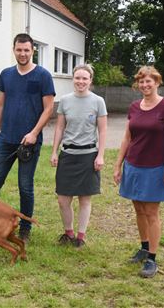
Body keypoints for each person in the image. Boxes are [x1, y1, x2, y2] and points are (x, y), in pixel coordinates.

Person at [0, 33, 55, 243]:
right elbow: (0, 104)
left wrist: (34, 133)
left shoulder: (43, 76)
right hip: (6, 140)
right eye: (19, 50)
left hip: (29, 143)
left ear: (33, 50)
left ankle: (25, 229)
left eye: (27, 50)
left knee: (25, 187)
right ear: (14, 50)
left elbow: (48, 109)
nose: (23, 54)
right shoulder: (6, 75)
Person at [113, 66, 164, 278]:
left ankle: (152, 258)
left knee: (151, 213)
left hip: (155, 167)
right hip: (133, 165)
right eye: (141, 82)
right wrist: (118, 164)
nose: (145, 85)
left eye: (149, 81)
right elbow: (127, 138)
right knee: (139, 209)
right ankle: (143, 248)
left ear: (157, 83)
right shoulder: (134, 106)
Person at [50, 64, 107, 248]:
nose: (81, 81)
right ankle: (68, 233)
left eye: (85, 78)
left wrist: (100, 155)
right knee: (63, 199)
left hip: (88, 155)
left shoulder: (98, 101)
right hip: (68, 154)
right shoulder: (65, 101)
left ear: (90, 80)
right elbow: (59, 127)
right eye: (77, 78)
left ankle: (80, 237)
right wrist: (54, 151)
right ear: (72, 79)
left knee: (85, 198)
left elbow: (103, 130)